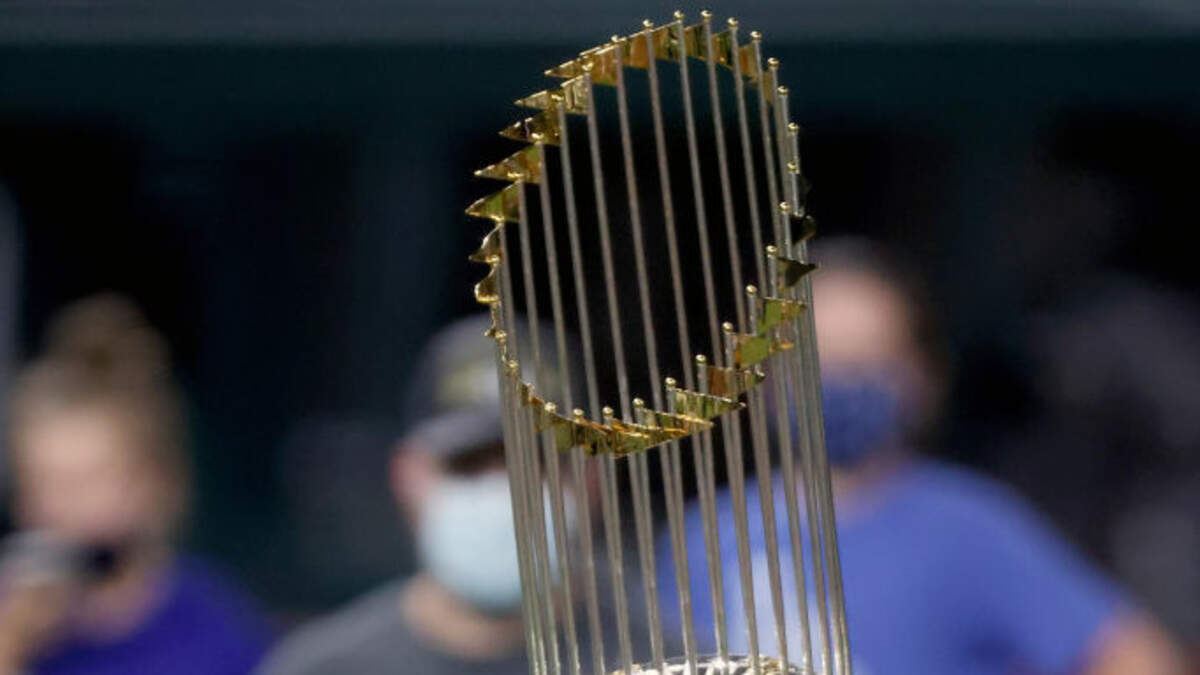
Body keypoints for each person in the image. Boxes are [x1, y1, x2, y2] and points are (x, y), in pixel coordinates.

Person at [661, 237, 1186, 674]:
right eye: (819, 360)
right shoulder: (708, 535)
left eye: (868, 360)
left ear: (922, 378)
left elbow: (1139, 658)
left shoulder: (967, 525)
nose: (840, 382)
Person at [0, 294, 271, 675]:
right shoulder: (11, 615)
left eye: (87, 481)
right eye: (41, 482)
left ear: (153, 485)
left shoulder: (216, 631)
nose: (59, 507)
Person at [259, 315, 537, 675]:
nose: (503, 493)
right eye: (468, 466)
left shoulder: (616, 650)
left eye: (538, 465)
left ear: (589, 479)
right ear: (406, 475)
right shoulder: (322, 667)